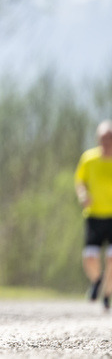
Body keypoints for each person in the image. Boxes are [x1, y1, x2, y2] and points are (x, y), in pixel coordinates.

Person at [74, 119, 112, 310]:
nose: (107, 143)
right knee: (90, 256)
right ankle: (97, 281)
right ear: (98, 140)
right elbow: (80, 180)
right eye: (103, 139)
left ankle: (107, 294)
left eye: (110, 139)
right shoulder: (89, 159)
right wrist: (82, 194)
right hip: (94, 215)